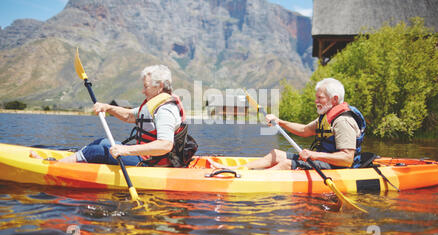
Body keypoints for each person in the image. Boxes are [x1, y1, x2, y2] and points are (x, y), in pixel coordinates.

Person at [30, 65, 196, 167]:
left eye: (145, 86)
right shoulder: (154, 103)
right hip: (146, 158)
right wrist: (107, 107)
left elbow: (165, 145)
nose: (142, 90)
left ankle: (53, 166)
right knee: (101, 142)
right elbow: (129, 116)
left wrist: (125, 150)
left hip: (151, 164)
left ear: (159, 86)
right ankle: (61, 161)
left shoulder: (165, 110)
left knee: (97, 151)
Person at [211, 78, 365, 170]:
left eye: (320, 98)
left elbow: (347, 158)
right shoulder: (326, 117)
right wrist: (280, 121)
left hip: (340, 169)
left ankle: (247, 180)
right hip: (322, 160)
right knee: (276, 153)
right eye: (316, 97)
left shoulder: (343, 121)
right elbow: (305, 130)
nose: (316, 101)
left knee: (285, 163)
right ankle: (236, 170)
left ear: (335, 99)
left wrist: (314, 154)